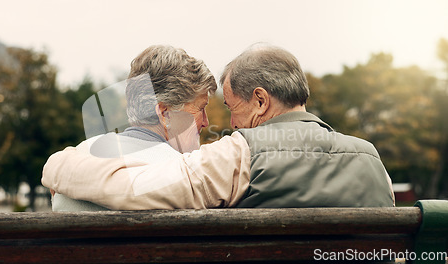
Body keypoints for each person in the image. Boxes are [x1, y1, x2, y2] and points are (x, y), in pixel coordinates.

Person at [42, 43, 394, 209]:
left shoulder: (239, 155)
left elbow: (130, 190)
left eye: (230, 107)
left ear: (260, 101)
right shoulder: (372, 160)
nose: (227, 123)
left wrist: (58, 164)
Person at [50, 45, 221, 211]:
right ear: (164, 113)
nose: (206, 121)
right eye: (200, 108)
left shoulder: (75, 158)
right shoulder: (185, 176)